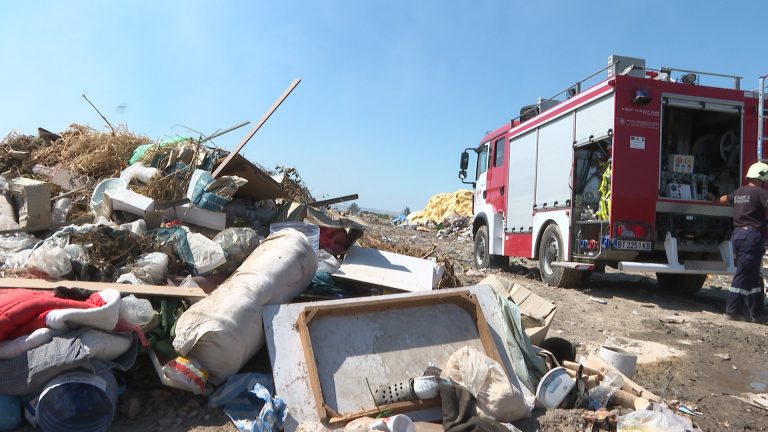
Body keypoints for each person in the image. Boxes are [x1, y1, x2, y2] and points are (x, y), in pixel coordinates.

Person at [718, 161, 768, 322]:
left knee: (752, 274)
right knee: (744, 274)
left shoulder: (740, 191)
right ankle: (732, 311)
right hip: (752, 237)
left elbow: (724, 200)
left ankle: (757, 313)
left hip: (738, 235)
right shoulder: (761, 193)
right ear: (763, 178)